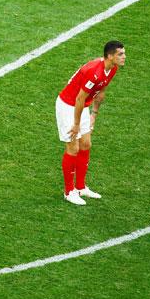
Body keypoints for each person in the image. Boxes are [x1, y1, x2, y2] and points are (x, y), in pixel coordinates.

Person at [55, 40, 126, 205]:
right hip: (68, 106)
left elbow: (100, 93)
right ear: (110, 56)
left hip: (83, 106)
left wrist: (94, 114)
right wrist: (76, 123)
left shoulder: (112, 69)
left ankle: (80, 187)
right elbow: (79, 98)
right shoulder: (94, 72)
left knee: (86, 144)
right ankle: (69, 191)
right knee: (73, 147)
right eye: (120, 54)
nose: (124, 57)